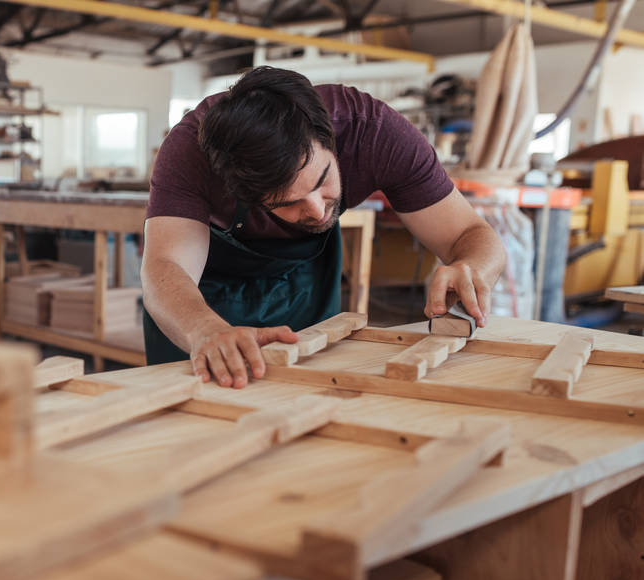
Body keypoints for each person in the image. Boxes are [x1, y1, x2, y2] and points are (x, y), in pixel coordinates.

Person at [141, 66, 506, 389]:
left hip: (304, 284)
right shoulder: (188, 152)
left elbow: (471, 235)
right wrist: (203, 330)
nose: (317, 211)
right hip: (200, 294)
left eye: (322, 181)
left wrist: (470, 269)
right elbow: (165, 267)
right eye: (287, 203)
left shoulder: (374, 132)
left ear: (330, 137)